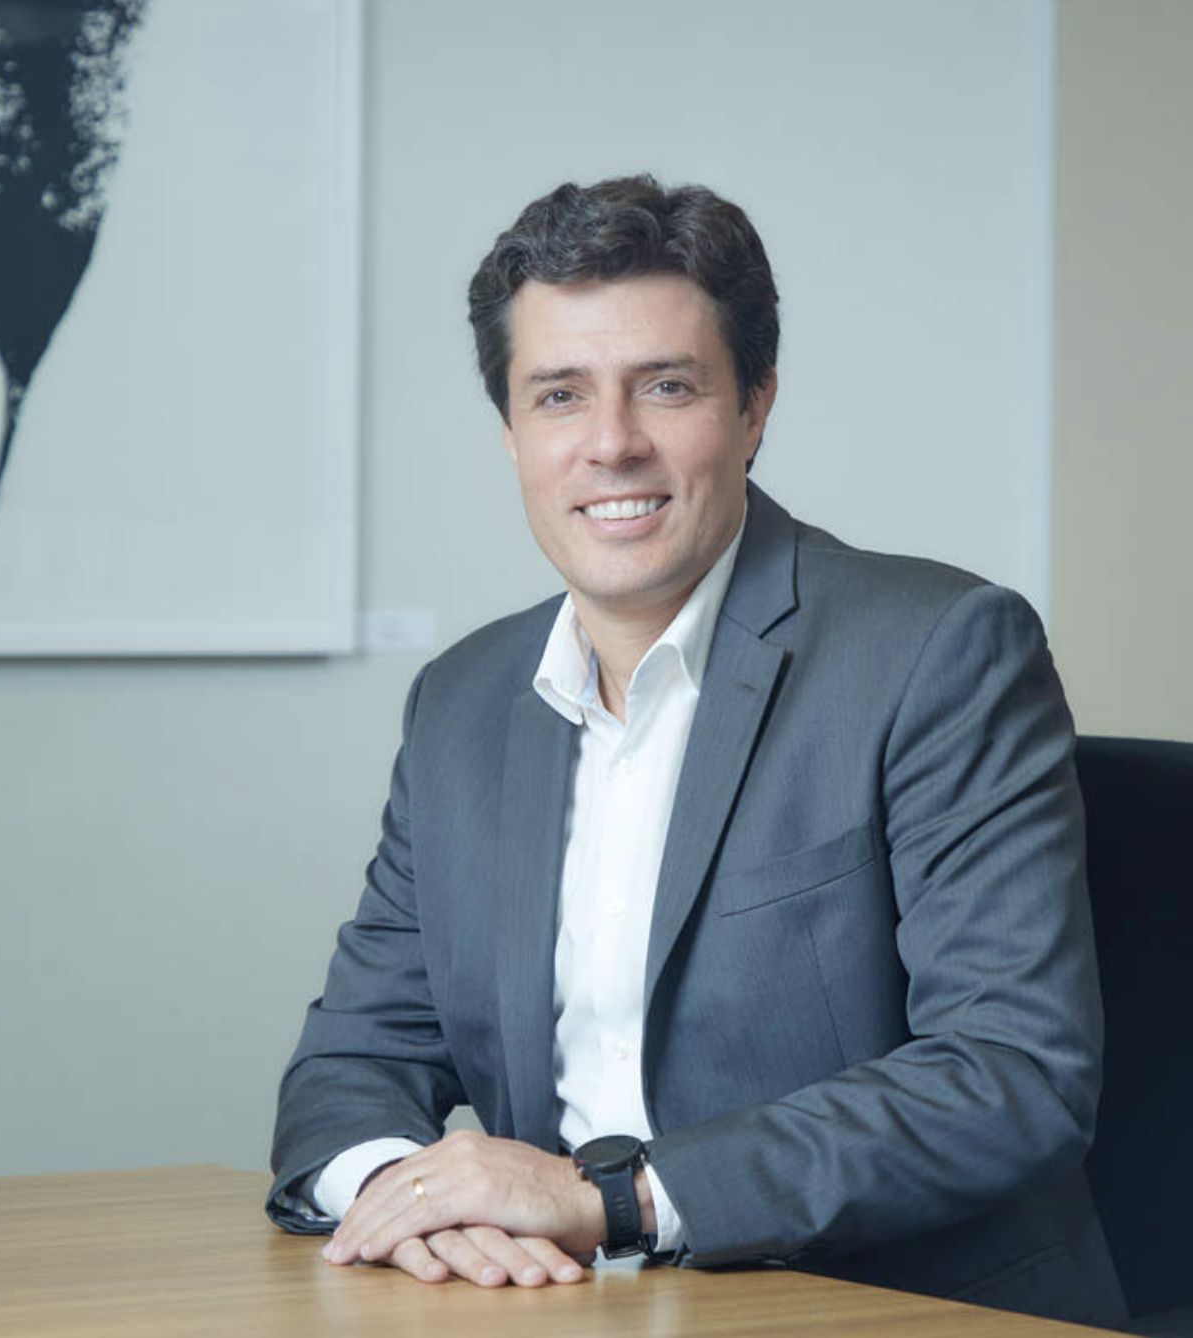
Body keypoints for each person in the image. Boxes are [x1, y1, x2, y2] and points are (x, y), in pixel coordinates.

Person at [266, 175, 1126, 1325]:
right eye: (558, 396)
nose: (610, 445)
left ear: (754, 407)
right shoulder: (461, 707)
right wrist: (412, 1198)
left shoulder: (937, 654)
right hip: (563, 1308)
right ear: (512, 434)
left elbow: (1008, 1073)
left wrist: (608, 1202)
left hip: (879, 1307)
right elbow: (350, 1063)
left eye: (665, 388)